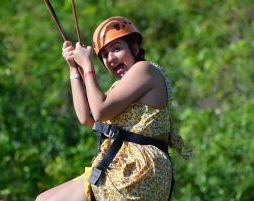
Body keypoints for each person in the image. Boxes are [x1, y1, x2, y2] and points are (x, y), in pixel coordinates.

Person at [36, 16, 192, 201]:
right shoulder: (118, 90)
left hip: (138, 170)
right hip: (126, 167)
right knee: (42, 198)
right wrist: (73, 69)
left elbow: (101, 112)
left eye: (117, 49)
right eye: (104, 55)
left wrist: (87, 66)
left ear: (134, 48)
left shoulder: (145, 69)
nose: (110, 58)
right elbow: (87, 117)